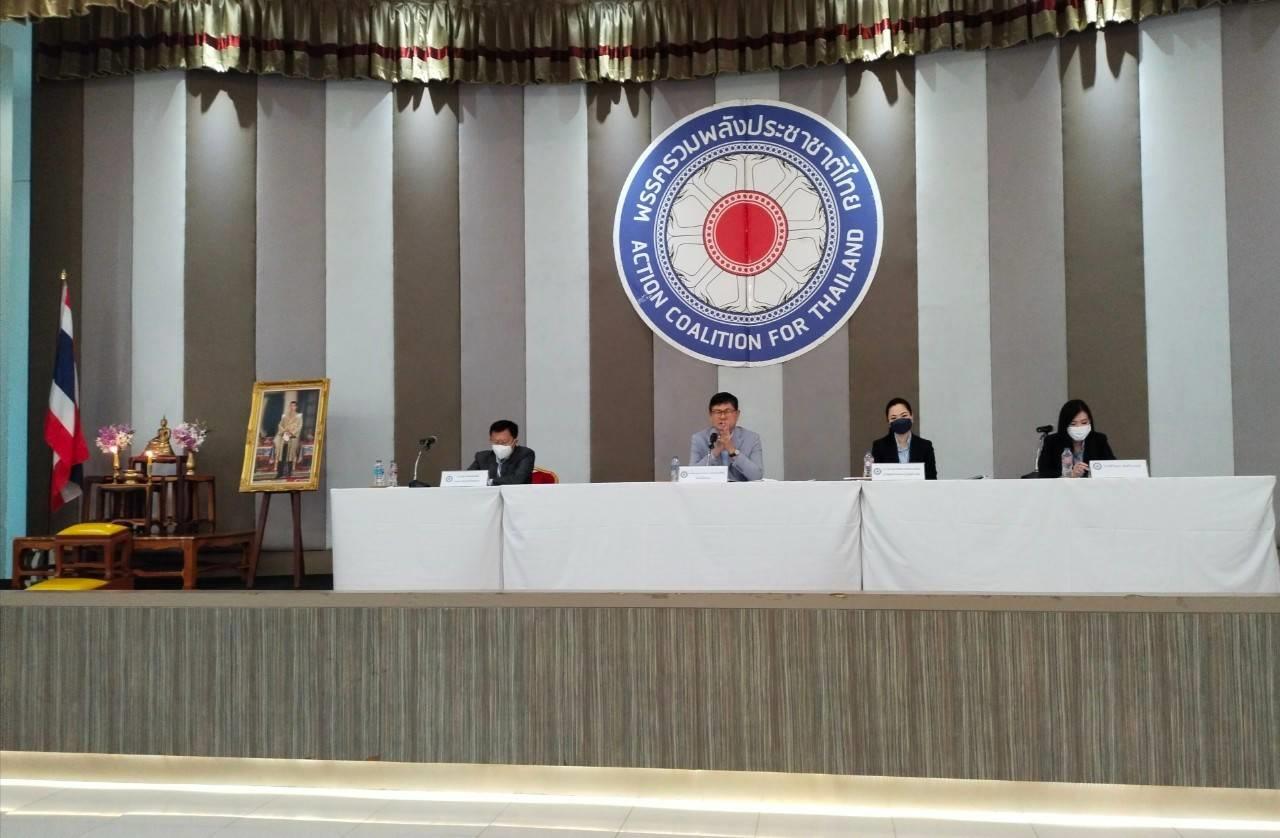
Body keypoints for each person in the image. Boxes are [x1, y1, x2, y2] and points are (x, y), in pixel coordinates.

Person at [688, 392, 764, 481]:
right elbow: (691, 474)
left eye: (727, 411)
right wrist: (715, 452)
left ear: (737, 414)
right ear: (710, 415)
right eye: (717, 412)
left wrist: (732, 450)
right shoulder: (699, 438)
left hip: (741, 489)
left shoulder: (752, 438)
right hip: (711, 488)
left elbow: (757, 475)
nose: (723, 416)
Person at [1037, 398, 1115, 478]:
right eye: (1073, 424)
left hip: (1093, 485)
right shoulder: (1052, 442)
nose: (1079, 427)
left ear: (1090, 421)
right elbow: (1044, 472)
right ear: (1065, 424)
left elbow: (1112, 467)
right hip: (1062, 485)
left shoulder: (1099, 440)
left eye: (1084, 422)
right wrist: (1069, 474)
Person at [870, 397, 938, 480]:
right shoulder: (879, 446)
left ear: (912, 417)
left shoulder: (925, 446)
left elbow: (932, 479)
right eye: (893, 418)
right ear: (888, 422)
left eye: (904, 415)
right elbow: (875, 478)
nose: (899, 420)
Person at [468, 419, 535, 485]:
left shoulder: (525, 454)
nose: (500, 445)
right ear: (490, 440)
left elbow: (518, 479)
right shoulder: (482, 457)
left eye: (504, 442)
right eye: (496, 442)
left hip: (516, 492)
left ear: (515, 442)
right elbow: (468, 478)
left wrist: (490, 482)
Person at [274, 400, 304, 478]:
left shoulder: (299, 416)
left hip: (292, 437)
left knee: (290, 455)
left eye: (293, 406)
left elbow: (299, 427)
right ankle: (280, 473)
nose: (292, 407)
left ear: (296, 407)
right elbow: (280, 425)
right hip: (284, 436)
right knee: (282, 455)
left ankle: (289, 473)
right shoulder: (284, 416)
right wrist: (284, 431)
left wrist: (291, 432)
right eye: (290, 406)